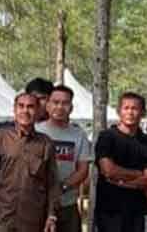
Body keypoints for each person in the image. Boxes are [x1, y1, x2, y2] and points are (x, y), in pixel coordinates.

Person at [0, 93, 60, 232]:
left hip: (33, 220)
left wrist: (51, 215)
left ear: (38, 111)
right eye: (21, 106)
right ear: (14, 110)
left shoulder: (46, 143)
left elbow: (52, 184)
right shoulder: (1, 138)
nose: (25, 111)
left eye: (30, 107)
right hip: (2, 218)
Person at [94, 93, 147, 232]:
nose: (130, 112)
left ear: (143, 112)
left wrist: (121, 181)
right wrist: (137, 174)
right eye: (126, 108)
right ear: (119, 111)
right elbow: (108, 170)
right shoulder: (107, 137)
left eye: (135, 108)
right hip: (110, 212)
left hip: (138, 212)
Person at [35, 85, 92, 232]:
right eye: (55, 102)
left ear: (71, 107)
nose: (60, 107)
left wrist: (62, 187)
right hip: (37, 204)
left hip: (67, 204)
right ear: (47, 105)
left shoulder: (79, 135)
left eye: (65, 103)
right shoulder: (36, 131)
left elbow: (83, 170)